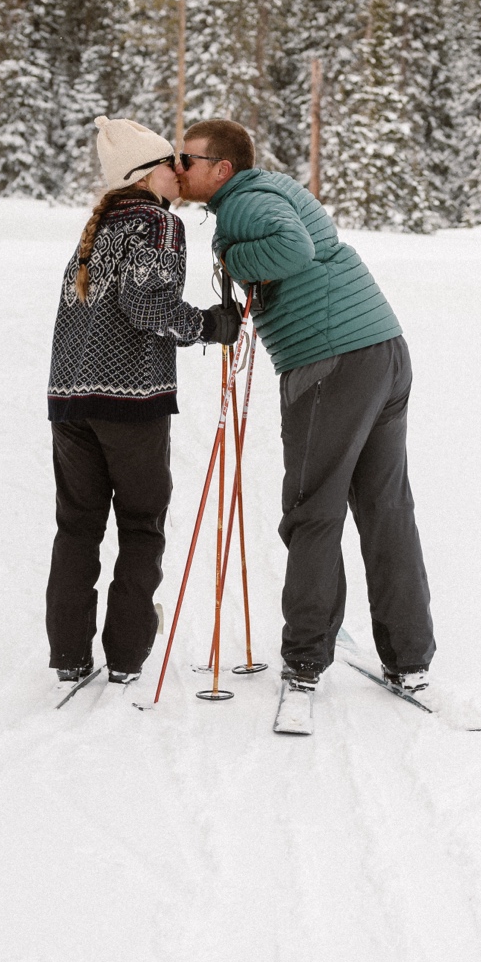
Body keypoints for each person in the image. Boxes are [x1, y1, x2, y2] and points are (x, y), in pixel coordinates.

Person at [164, 117, 435, 711]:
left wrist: (234, 259)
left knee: (313, 511)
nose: (177, 167)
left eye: (187, 158)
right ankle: (409, 659)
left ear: (221, 170)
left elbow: (294, 248)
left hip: (330, 362)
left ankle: (306, 660)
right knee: (386, 509)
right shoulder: (275, 187)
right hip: (383, 349)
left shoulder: (240, 207)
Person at [45, 117, 241, 688]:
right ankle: (128, 656)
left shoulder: (97, 225)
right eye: (170, 162)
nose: (180, 171)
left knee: (77, 529)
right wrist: (209, 325)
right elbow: (147, 306)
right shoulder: (157, 225)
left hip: (70, 400)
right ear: (146, 174)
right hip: (131, 401)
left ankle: (69, 655)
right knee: (141, 526)